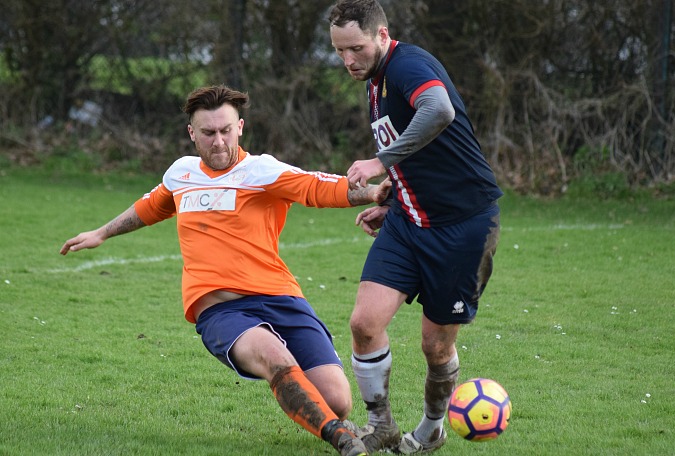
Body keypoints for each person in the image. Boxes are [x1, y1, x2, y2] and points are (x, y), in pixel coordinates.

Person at [59, 85, 392, 456]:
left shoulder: (261, 170)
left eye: (225, 131)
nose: (218, 142)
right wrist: (102, 233)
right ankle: (342, 439)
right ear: (191, 133)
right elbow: (149, 207)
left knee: (335, 399)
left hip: (281, 296)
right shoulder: (181, 174)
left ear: (240, 128)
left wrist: (372, 193)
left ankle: (335, 420)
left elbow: (318, 187)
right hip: (222, 311)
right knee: (274, 358)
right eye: (207, 133)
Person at [328, 1, 504, 454]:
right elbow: (422, 151)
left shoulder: (408, 65)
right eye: (340, 51)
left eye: (357, 48)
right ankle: (381, 425)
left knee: (435, 346)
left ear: (383, 36)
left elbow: (439, 110)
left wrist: (377, 161)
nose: (349, 60)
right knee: (364, 324)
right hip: (409, 221)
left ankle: (431, 427)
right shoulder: (374, 78)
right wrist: (395, 195)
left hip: (463, 227)